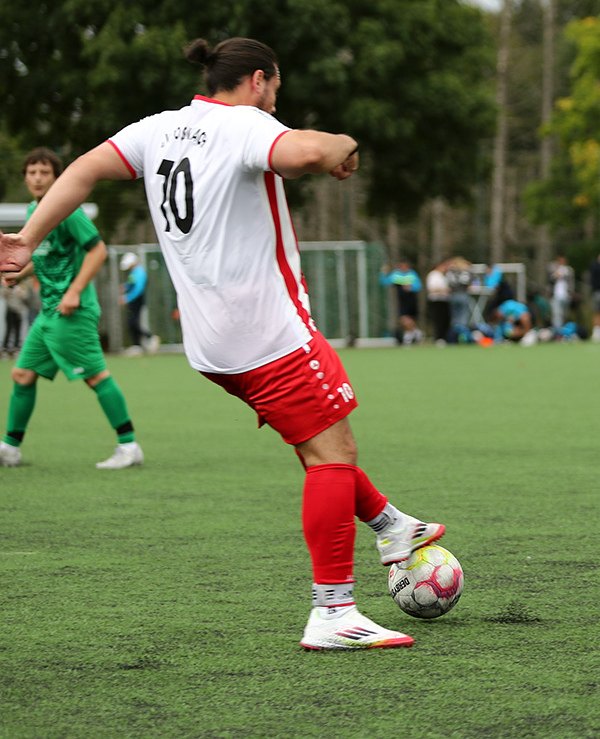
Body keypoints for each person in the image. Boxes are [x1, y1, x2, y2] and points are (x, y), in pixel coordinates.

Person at [0, 38, 445, 651]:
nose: (275, 101)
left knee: (312, 439)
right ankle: (334, 612)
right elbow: (314, 150)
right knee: (333, 452)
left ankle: (392, 527)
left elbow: (80, 170)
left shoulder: (159, 128)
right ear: (258, 80)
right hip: (267, 332)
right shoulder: (244, 126)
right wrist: (347, 148)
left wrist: (26, 237)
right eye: (277, 89)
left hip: (210, 344)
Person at [0, 148, 144, 471]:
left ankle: (129, 445)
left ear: (57, 178)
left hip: (71, 313)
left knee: (95, 377)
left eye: (44, 172)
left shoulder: (69, 212)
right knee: (22, 374)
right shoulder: (35, 212)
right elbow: (45, 257)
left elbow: (98, 252)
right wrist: (17, 273)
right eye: (32, 172)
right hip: (49, 313)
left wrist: (75, 292)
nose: (37, 178)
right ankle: (9, 448)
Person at [119, 251, 159, 355]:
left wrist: (126, 298)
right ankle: (137, 345)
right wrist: (126, 286)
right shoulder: (133, 273)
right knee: (132, 322)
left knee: (132, 322)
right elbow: (131, 284)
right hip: (133, 301)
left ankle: (149, 338)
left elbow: (138, 289)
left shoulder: (139, 272)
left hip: (137, 300)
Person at [380, 260, 423, 345]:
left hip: (412, 299)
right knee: (404, 319)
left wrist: (411, 287)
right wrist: (383, 273)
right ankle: (415, 333)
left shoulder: (412, 274)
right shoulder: (396, 275)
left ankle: (410, 335)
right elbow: (385, 282)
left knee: (411, 319)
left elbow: (419, 286)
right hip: (402, 301)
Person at [425, 259, 451, 344]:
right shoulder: (433, 275)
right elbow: (432, 289)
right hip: (436, 300)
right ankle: (438, 338)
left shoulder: (443, 276)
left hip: (444, 300)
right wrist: (443, 290)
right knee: (438, 320)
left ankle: (444, 337)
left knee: (445, 320)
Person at [548, 254, 574, 334]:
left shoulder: (568, 270)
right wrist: (555, 275)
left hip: (566, 296)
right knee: (556, 315)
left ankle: (565, 333)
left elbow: (571, 282)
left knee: (564, 315)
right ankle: (557, 333)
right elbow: (549, 280)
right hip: (555, 296)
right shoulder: (552, 268)